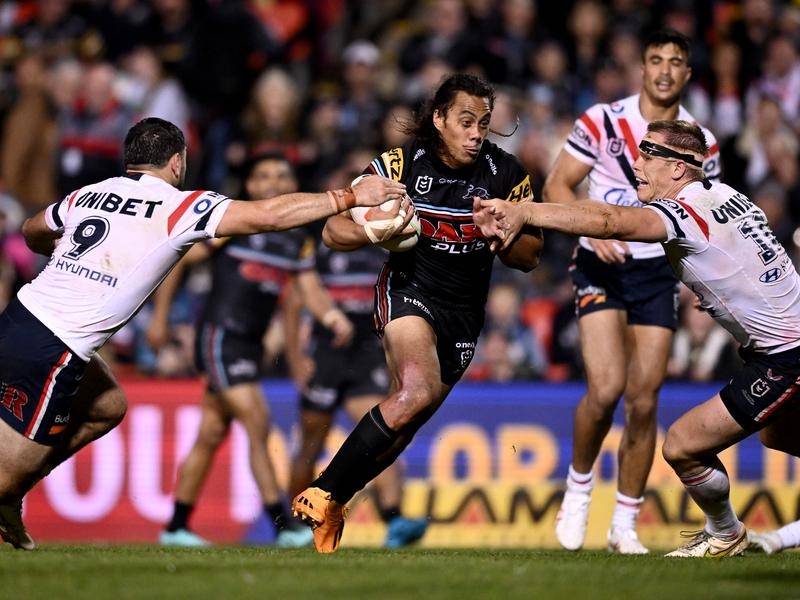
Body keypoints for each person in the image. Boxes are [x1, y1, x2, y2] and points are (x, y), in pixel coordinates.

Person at [0, 117, 405, 550]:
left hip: (19, 319)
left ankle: (166, 520)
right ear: (178, 162)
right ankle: (11, 494)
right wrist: (348, 196)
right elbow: (267, 215)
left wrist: (59, 251)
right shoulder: (181, 206)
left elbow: (30, 230)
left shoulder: (88, 193)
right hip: (57, 344)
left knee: (110, 406)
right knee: (7, 477)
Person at [478, 119, 800, 558]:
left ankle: (725, 533)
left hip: (786, 357)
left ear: (679, 169)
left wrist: (526, 211)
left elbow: (609, 220)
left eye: (649, 156)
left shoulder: (685, 213)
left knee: (684, 446)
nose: (637, 163)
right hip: (780, 347)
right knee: (778, 438)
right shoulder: (728, 196)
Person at [291, 73, 543, 553]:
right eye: (465, 121)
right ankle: (321, 491)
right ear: (440, 118)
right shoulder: (399, 164)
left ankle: (336, 499)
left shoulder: (507, 174)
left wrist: (504, 232)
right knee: (417, 390)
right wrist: (377, 230)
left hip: (464, 313)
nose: (475, 133)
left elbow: (530, 257)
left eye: (483, 124)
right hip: (408, 290)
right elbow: (332, 231)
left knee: (408, 420)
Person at [542, 28, 721, 554]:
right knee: (605, 389)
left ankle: (625, 524)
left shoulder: (700, 141)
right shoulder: (601, 120)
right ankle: (577, 492)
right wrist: (590, 231)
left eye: (676, 61)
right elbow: (557, 185)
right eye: (655, 59)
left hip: (656, 274)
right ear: (641, 68)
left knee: (644, 402)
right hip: (601, 265)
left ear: (687, 74)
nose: (665, 69)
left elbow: (705, 215)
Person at [147, 152, 325, 547]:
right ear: (250, 187)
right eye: (264, 176)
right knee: (258, 422)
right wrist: (159, 318)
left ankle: (176, 527)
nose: (274, 182)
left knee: (210, 433)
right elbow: (178, 258)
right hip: (220, 338)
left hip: (249, 345)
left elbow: (308, 290)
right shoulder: (233, 225)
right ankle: (283, 526)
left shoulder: (297, 240)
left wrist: (330, 319)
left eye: (282, 173)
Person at [283, 234, 428, 548]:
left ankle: (394, 519)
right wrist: (296, 359)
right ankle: (295, 526)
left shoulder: (387, 245)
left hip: (365, 353)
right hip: (326, 353)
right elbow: (295, 300)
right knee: (310, 443)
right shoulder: (322, 244)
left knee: (382, 435)